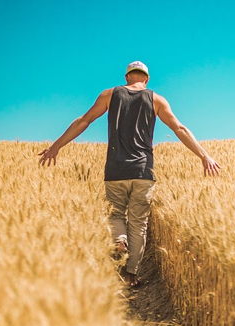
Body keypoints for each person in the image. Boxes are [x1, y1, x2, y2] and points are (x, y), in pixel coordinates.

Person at [38, 61, 220, 287]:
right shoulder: (157, 99)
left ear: (127, 78)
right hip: (143, 171)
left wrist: (56, 146)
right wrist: (204, 156)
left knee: (115, 215)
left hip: (115, 169)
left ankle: (119, 239)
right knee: (138, 223)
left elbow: (83, 121)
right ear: (146, 79)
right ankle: (131, 274)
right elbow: (179, 129)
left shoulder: (109, 94)